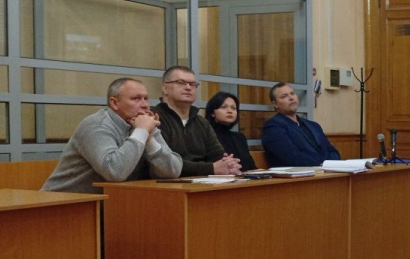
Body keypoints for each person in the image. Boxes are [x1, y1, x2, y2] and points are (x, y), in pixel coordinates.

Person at [42, 78, 182, 194]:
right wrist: (141, 132)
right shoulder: (96, 125)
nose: (145, 105)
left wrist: (150, 139)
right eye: (136, 99)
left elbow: (173, 171)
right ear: (114, 103)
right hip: (60, 205)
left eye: (146, 98)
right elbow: (114, 172)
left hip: (110, 205)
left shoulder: (143, 124)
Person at [154, 66, 242, 176]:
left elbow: (218, 155)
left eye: (192, 84)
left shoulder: (202, 122)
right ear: (165, 88)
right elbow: (164, 163)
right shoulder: (154, 117)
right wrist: (211, 168)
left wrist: (229, 165)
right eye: (181, 82)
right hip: (166, 183)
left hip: (204, 181)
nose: (188, 87)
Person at [261, 82, 341, 166]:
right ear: (275, 104)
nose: (291, 98)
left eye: (292, 93)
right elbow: (292, 158)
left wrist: (326, 163)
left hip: (326, 170)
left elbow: (333, 152)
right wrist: (323, 162)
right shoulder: (273, 127)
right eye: (284, 96)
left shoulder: (314, 126)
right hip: (300, 172)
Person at [205, 91, 257, 172]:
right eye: (224, 107)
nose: (230, 111)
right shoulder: (205, 136)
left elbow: (251, 167)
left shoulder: (240, 137)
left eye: (233, 108)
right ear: (212, 113)